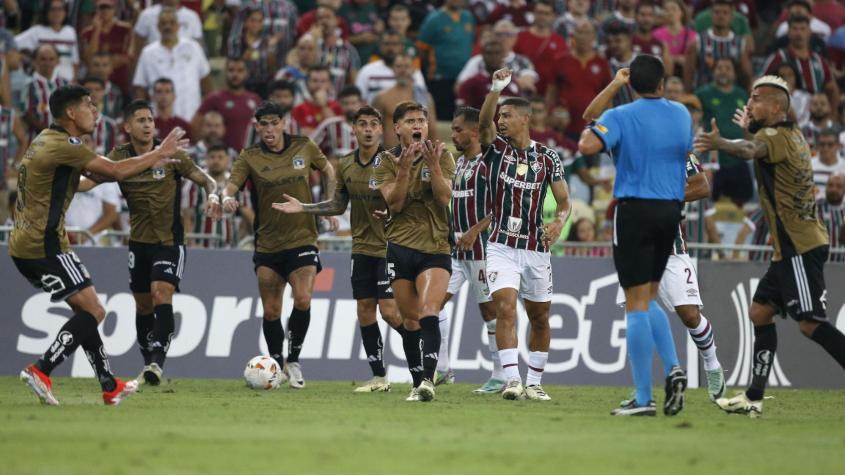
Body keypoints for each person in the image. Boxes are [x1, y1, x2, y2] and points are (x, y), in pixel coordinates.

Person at [12, 85, 188, 406]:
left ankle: (109, 386)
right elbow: (117, 170)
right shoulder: (67, 145)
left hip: (27, 241)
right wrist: (159, 153)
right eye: (89, 105)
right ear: (70, 112)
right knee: (94, 310)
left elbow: (86, 180)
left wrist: (122, 168)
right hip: (45, 244)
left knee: (86, 311)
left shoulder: (45, 140)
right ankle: (42, 369)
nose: (95, 111)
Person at [695, 75, 845, 417]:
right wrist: (749, 130)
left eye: (757, 98)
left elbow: (751, 150)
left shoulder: (774, 136)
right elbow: (760, 145)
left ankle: (754, 396)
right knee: (760, 312)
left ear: (777, 107)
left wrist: (721, 142)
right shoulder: (788, 134)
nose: (750, 102)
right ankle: (754, 396)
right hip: (790, 248)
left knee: (809, 323)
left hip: (799, 246)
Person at [578, 57, 692, 417]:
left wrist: (614, 86)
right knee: (650, 294)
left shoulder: (621, 115)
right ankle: (673, 367)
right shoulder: (682, 114)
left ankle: (643, 399)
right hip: (670, 211)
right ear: (662, 82)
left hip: (634, 209)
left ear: (631, 83)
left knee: (635, 302)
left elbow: (586, 143)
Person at [79, 99, 216, 384]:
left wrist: (214, 195)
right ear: (127, 126)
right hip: (138, 243)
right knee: (143, 307)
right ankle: (147, 363)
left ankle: (157, 362)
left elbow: (206, 180)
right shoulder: (118, 156)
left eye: (150, 120)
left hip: (169, 241)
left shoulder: (172, 155)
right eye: (140, 120)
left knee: (161, 294)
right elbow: (87, 182)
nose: (147, 125)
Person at [274, 105, 404, 392]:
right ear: (354, 130)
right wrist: (304, 208)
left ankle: (423, 355)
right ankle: (380, 377)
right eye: (362, 124)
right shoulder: (345, 165)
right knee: (365, 312)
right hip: (361, 250)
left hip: (390, 247)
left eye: (373, 124)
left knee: (392, 313)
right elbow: (337, 205)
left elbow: (404, 202)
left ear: (381, 130)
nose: (368, 129)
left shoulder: (394, 161)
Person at [219, 102, 336, 389]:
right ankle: (275, 363)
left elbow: (331, 171)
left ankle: (293, 360)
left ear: (284, 124)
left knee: (303, 298)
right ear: (257, 127)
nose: (269, 129)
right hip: (268, 244)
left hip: (302, 238)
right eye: (263, 124)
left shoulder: (305, 146)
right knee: (271, 311)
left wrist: (329, 207)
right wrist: (225, 198)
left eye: (274, 123)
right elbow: (231, 184)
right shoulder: (250, 156)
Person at [479, 70, 571, 401]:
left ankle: (534, 382)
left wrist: (559, 222)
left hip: (536, 249)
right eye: (500, 115)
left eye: (507, 115)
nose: (501, 121)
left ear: (525, 119)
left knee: (540, 317)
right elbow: (483, 124)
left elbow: (564, 201)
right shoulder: (495, 150)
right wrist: (495, 90)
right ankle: (512, 380)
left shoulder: (547, 158)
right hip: (501, 245)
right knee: (505, 308)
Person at [373, 101, 456, 402]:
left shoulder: (442, 155)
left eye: (421, 120)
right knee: (409, 320)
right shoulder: (385, 162)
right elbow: (394, 204)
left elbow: (445, 198)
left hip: (435, 247)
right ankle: (415, 380)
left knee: (429, 310)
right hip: (399, 248)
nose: (417, 125)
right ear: (396, 128)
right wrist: (405, 169)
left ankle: (429, 381)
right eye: (410, 121)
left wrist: (433, 166)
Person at [436, 106, 504, 394]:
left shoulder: (489, 163)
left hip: (483, 250)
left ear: (475, 132)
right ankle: (442, 368)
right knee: (432, 303)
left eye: (458, 129)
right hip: (456, 252)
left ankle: (500, 374)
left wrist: (476, 229)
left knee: (490, 312)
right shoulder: (460, 163)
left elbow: (503, 204)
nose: (453, 134)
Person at [132, 7, 211, 123]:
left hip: (191, 117)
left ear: (178, 26)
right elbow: (140, 88)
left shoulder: (193, 48)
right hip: (159, 120)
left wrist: (204, 114)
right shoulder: (148, 53)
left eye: (172, 22)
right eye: (163, 23)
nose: (167, 26)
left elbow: (206, 82)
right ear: (158, 27)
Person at [182, 142, 249, 248]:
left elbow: (247, 213)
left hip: (230, 248)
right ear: (206, 159)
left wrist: (241, 238)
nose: (216, 161)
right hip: (201, 247)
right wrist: (191, 242)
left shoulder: (236, 183)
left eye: (220, 157)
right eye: (212, 157)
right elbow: (186, 215)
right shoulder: (195, 182)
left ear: (228, 160)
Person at [191, 57, 261, 152]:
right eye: (231, 70)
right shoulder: (215, 98)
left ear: (246, 73)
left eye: (240, 70)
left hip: (248, 157)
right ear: (225, 72)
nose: (235, 74)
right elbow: (195, 125)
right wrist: (204, 150)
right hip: (222, 159)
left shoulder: (255, 99)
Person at [683, 0, 752, 92]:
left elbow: (747, 74)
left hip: (731, 96)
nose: (721, 16)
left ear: (732, 16)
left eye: (725, 13)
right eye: (717, 12)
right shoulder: (698, 41)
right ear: (711, 15)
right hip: (703, 95)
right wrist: (688, 95)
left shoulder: (740, 43)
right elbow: (689, 73)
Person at [14, 0, 79, 82]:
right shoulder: (37, 31)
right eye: (53, 9)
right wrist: (27, 60)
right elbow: (13, 44)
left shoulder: (70, 31)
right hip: (42, 81)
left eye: (60, 9)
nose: (57, 13)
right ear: (46, 11)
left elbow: (75, 61)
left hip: (67, 82)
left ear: (65, 12)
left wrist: (74, 80)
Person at [19, 44, 68, 141]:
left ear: (58, 61)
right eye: (43, 59)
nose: (47, 62)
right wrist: (49, 131)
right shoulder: (29, 85)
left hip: (63, 140)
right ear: (34, 61)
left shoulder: (66, 84)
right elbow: (27, 114)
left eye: (51, 59)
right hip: (36, 140)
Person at [151, 78, 192, 143]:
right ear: (153, 96)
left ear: (174, 96)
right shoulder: (148, 124)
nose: (163, 96)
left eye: (167, 91)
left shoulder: (183, 125)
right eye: (159, 92)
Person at [817, 172, 845, 262]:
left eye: (839, 186)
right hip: (818, 266)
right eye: (830, 185)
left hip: (842, 266)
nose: (834, 189)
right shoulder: (815, 208)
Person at [811, 128, 845, 200]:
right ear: (817, 146)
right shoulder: (808, 167)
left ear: (839, 146)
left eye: (830, 145)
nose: (825, 148)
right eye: (822, 144)